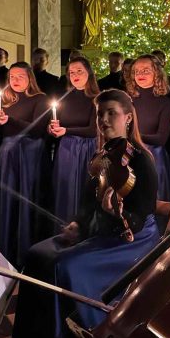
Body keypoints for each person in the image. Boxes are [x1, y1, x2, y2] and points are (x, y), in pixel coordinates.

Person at [12, 89, 161, 338]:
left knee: (63, 266)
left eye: (111, 113)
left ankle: (74, 334)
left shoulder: (142, 160)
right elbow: (87, 203)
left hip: (132, 240)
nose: (103, 120)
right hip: (101, 230)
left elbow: (139, 216)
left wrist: (117, 215)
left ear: (128, 118)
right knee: (35, 255)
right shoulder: (101, 157)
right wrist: (77, 223)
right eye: (100, 114)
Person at [0, 62, 51, 266]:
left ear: (29, 79)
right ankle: (6, 248)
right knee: (8, 202)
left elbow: (37, 129)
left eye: (20, 77)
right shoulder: (4, 102)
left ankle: (27, 250)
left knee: (26, 200)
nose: (15, 81)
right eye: (12, 77)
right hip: (8, 158)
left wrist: (9, 121)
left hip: (30, 156)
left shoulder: (39, 99)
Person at [48, 57, 99, 226]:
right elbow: (59, 124)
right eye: (71, 72)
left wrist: (66, 131)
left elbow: (93, 130)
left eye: (79, 71)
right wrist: (53, 128)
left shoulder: (97, 99)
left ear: (89, 73)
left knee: (82, 192)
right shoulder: (65, 97)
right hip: (66, 150)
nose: (75, 75)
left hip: (86, 150)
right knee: (64, 190)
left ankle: (83, 230)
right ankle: (63, 229)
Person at [126, 54, 170, 201]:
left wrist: (133, 136)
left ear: (157, 73)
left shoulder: (165, 103)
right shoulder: (127, 100)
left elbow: (161, 139)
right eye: (137, 71)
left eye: (146, 70)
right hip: (128, 155)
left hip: (153, 158)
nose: (140, 74)